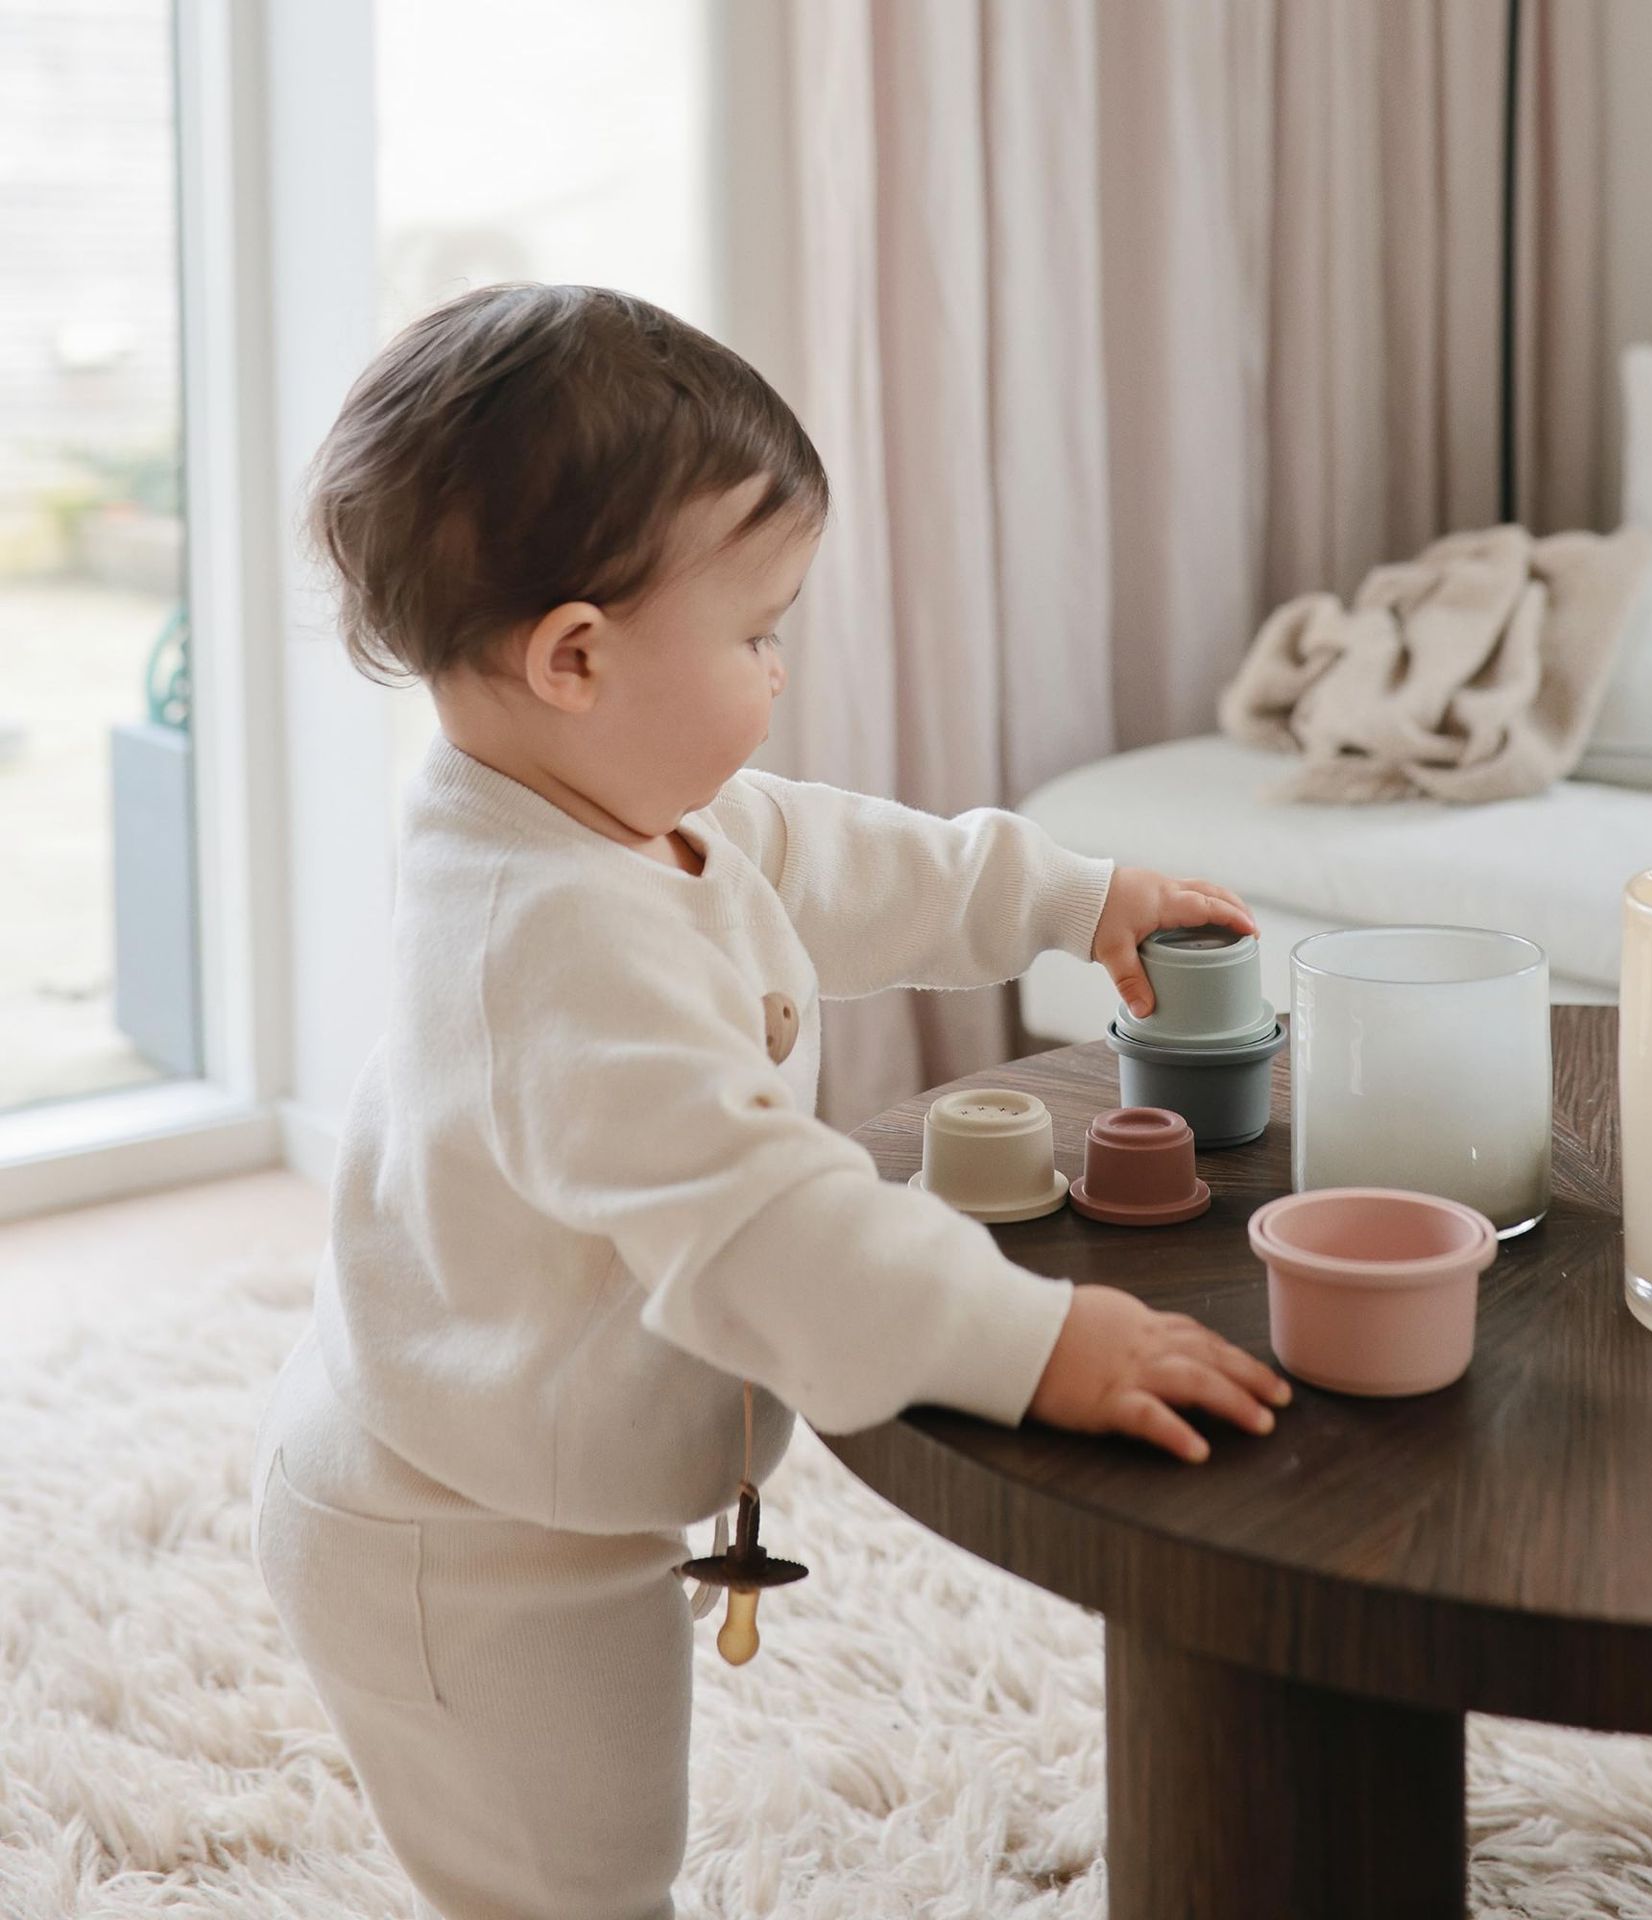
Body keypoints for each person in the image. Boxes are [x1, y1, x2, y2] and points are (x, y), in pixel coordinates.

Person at [250, 282, 1290, 1920]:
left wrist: (1067, 897)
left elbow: (837, 857)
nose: (783, 672)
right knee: (571, 1881)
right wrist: (1034, 1341)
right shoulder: (548, 941)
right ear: (577, 657)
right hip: (462, 1542)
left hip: (531, 1465)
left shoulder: (620, 806)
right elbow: (755, 1218)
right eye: (757, 630)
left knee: (608, 1842)